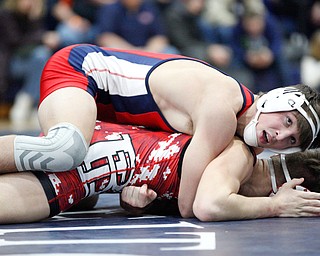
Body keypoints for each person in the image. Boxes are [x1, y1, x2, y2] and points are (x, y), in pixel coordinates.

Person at [0, 44, 320, 219]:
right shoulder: (222, 110)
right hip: (81, 72)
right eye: (288, 123)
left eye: (290, 141)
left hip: (106, 127)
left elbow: (182, 193)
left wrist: (142, 202)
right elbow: (193, 206)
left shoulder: (239, 138)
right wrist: (276, 205)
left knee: (80, 181)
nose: (279, 137)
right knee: (65, 149)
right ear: (278, 97)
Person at [1, 121, 320, 224]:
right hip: (86, 168)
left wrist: (135, 203)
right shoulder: (241, 156)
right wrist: (276, 206)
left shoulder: (227, 169)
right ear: (298, 188)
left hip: (96, 160)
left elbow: (161, 183)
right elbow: (209, 206)